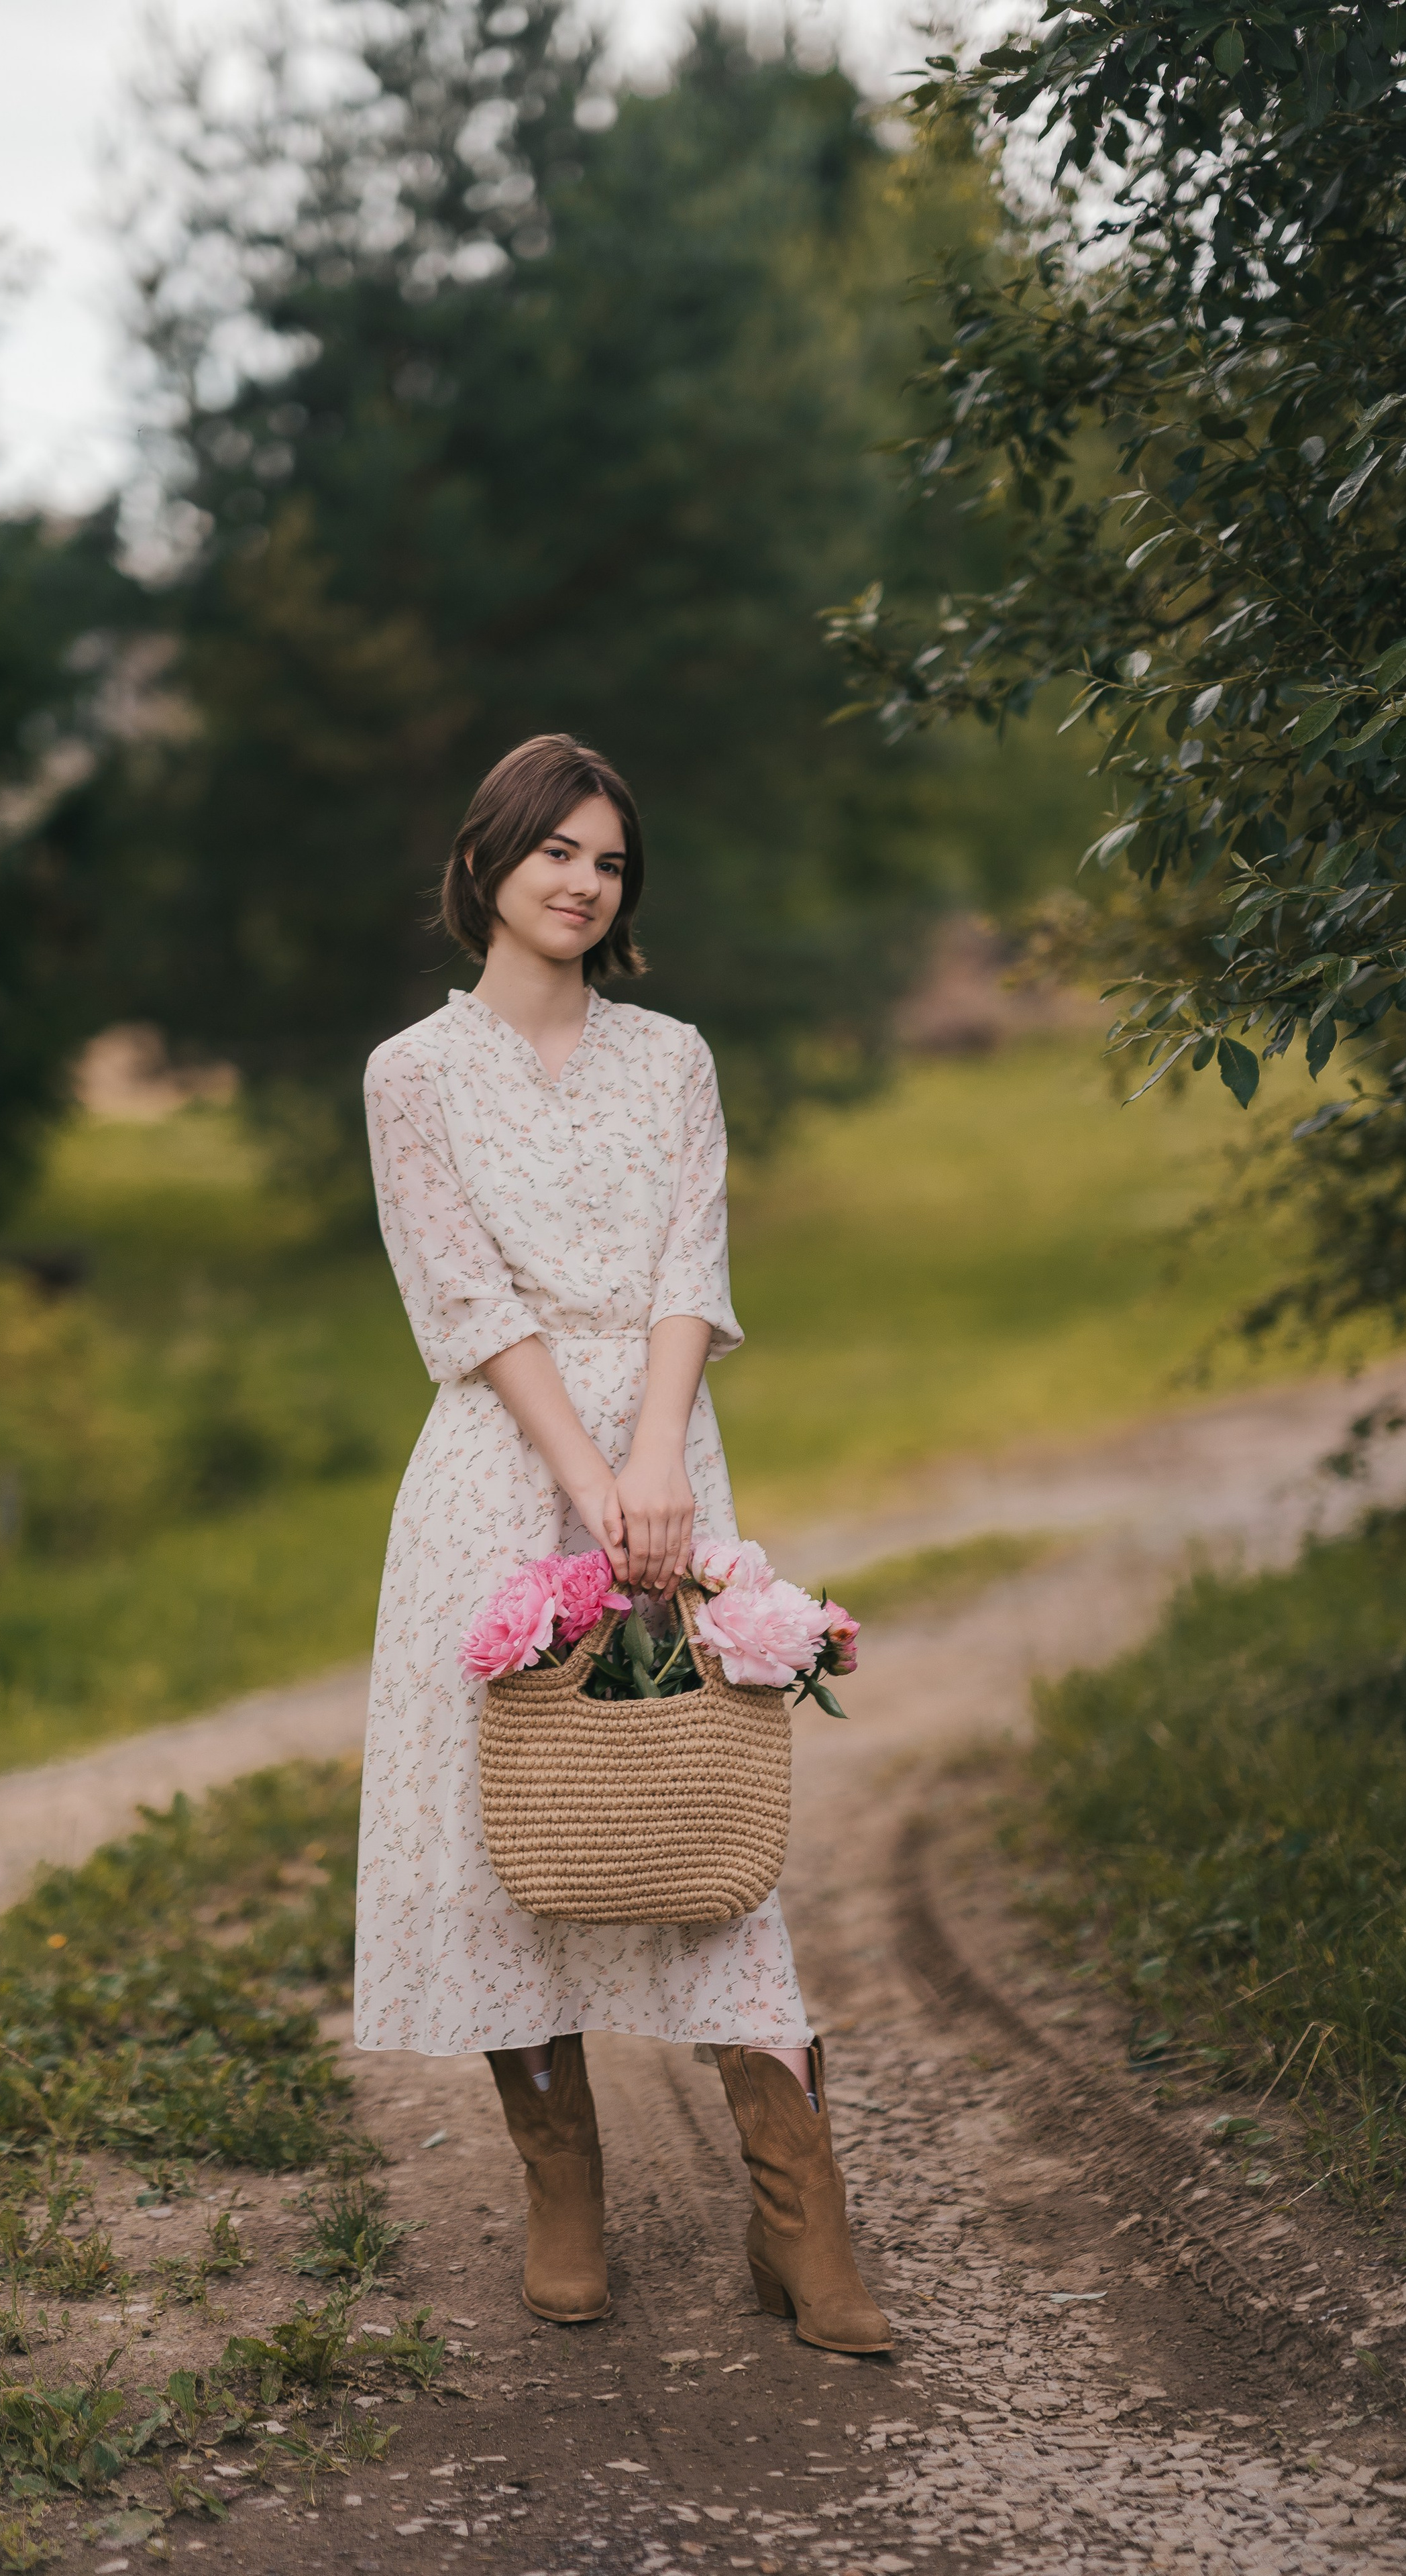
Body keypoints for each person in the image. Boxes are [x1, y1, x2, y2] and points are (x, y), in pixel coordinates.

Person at [355, 732, 891, 2357]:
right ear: (484, 867)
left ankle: (800, 2226)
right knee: (510, 1827)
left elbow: (691, 1267)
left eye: (606, 859)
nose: (582, 882)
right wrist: (582, 1472)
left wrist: (654, 1463)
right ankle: (561, 2197)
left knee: (699, 1819)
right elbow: (462, 1300)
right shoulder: (410, 1073)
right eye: (553, 852)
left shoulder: (671, 1060)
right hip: (498, 1462)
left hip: (663, 1453)